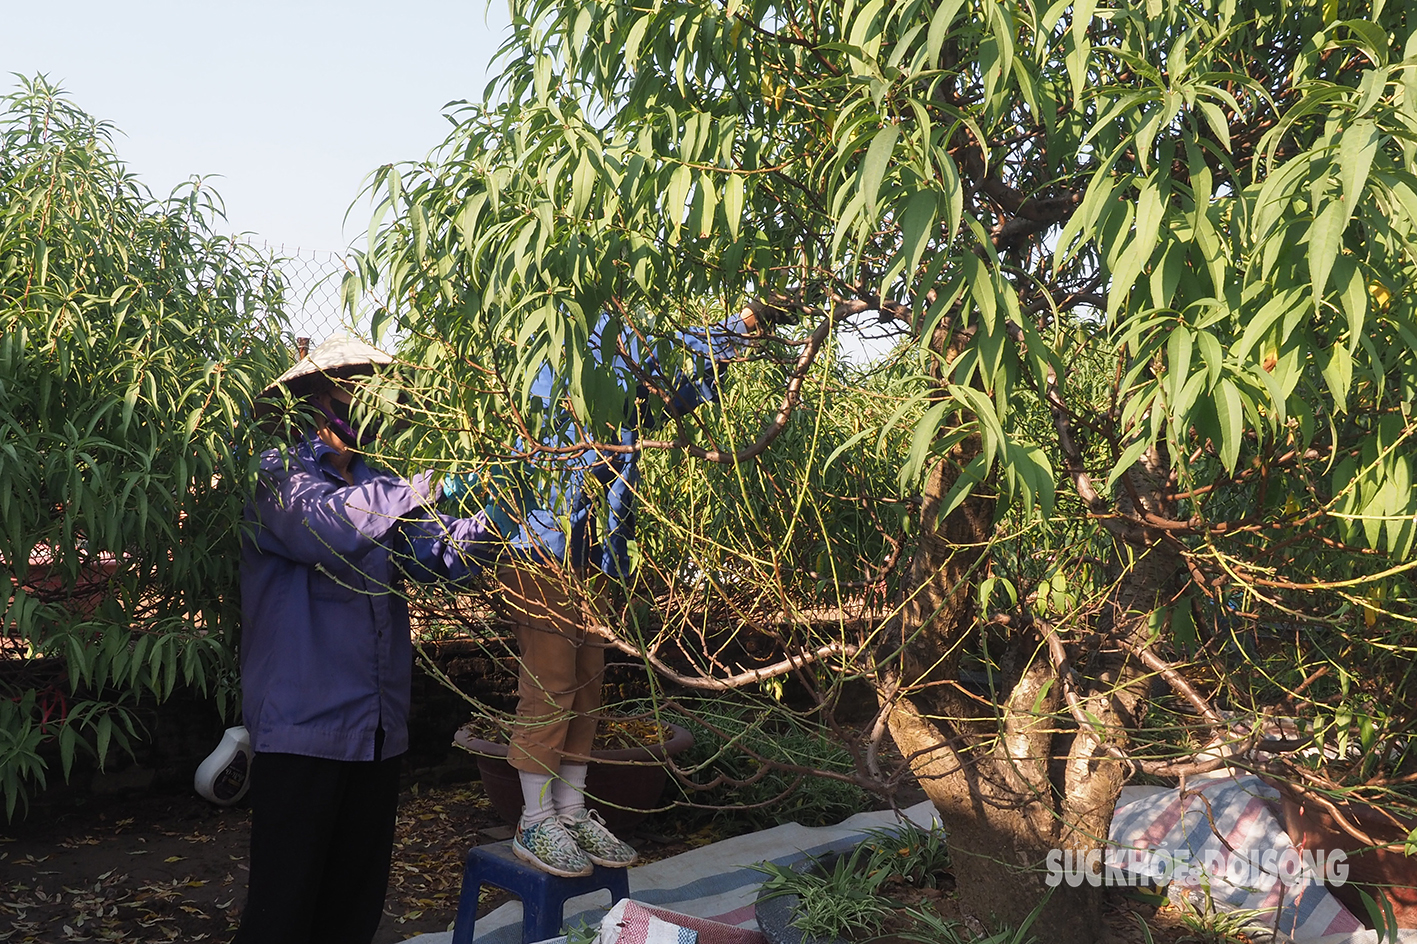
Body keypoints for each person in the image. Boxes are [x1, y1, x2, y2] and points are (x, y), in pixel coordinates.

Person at [457, 306, 763, 878]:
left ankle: (569, 811)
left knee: (587, 681)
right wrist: (739, 328)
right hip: (539, 540)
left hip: (591, 545)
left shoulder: (618, 346)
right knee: (550, 683)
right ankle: (534, 818)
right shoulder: (575, 331)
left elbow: (671, 388)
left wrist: (730, 341)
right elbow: (673, 360)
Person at [234, 335, 496, 944]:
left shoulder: (381, 485)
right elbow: (326, 526)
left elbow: (432, 557)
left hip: (375, 733)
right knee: (282, 913)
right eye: (350, 390)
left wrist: (496, 520)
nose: (365, 403)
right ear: (313, 400)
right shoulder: (276, 473)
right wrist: (428, 486)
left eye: (373, 391)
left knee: (353, 911)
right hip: (303, 730)